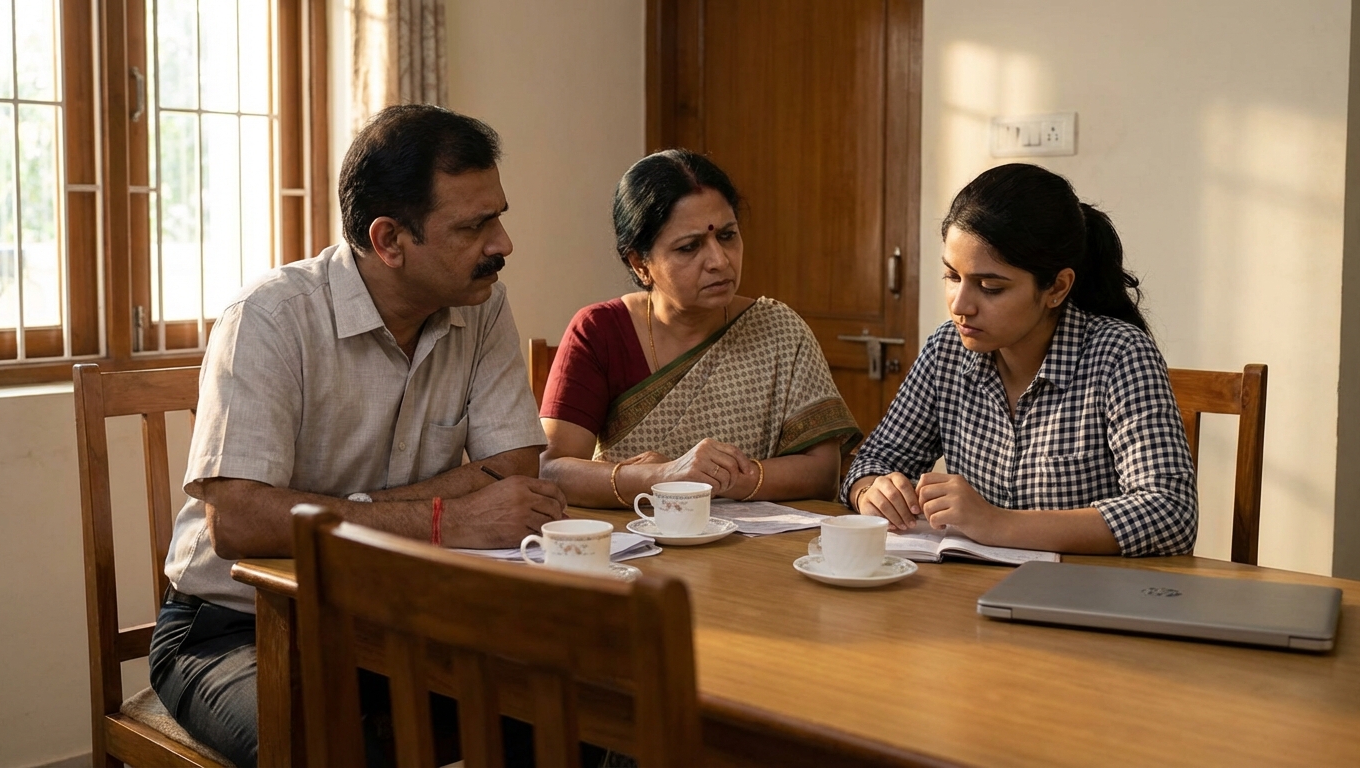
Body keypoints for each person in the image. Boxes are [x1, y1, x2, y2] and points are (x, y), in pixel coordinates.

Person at [148, 105, 568, 766]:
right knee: (331, 751)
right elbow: (240, 522)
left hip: (396, 616)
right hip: (237, 627)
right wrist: (441, 519)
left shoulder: (480, 305)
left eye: (499, 215)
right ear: (389, 240)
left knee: (569, 714)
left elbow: (511, 468)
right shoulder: (271, 318)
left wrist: (335, 513)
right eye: (474, 226)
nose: (503, 245)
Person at [842, 163, 1196, 556]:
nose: (960, 306)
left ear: (1056, 288)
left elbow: (1170, 513)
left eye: (990, 287)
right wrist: (871, 490)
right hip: (969, 593)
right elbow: (872, 460)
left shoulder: (1118, 354)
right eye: (952, 276)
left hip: (1085, 597)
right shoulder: (947, 349)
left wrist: (996, 522)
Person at [539, 149, 860, 507]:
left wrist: (720, 478)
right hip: (635, 541)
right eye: (689, 247)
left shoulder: (780, 330)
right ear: (640, 263)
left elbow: (823, 474)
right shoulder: (599, 332)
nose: (719, 261)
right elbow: (554, 471)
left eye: (727, 236)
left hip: (755, 548)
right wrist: (663, 477)